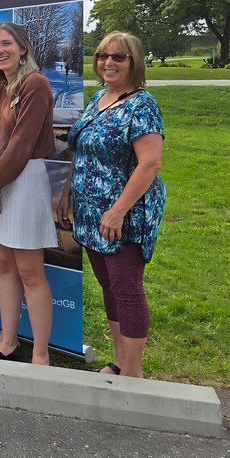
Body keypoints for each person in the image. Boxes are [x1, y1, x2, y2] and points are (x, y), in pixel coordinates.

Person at [56, 31, 165, 378]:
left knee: (127, 288)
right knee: (109, 286)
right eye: (104, 56)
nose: (109, 62)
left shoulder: (141, 104)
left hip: (124, 214)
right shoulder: (99, 98)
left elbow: (149, 164)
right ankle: (119, 360)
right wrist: (67, 193)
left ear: (134, 62)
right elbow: (82, 148)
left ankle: (133, 372)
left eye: (119, 57)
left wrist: (117, 210)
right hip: (90, 212)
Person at [0, 22, 57, 365]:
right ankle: (8, 342)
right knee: (4, 266)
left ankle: (40, 353)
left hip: (22, 182)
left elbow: (21, 146)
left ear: (23, 48)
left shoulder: (35, 84)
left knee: (30, 272)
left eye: (6, 44)